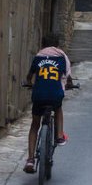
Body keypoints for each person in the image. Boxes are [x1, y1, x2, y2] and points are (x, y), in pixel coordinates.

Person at [23, 34, 73, 174]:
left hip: (39, 95)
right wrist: (70, 84)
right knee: (58, 108)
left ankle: (31, 160)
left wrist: (28, 83)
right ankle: (59, 135)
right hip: (55, 95)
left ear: (42, 44)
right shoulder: (61, 57)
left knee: (35, 125)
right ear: (57, 45)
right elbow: (67, 77)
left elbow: (29, 76)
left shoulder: (38, 57)